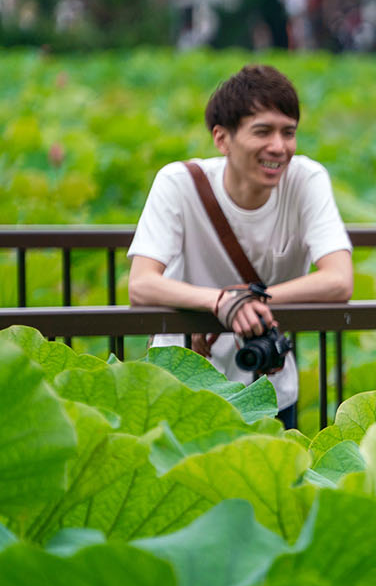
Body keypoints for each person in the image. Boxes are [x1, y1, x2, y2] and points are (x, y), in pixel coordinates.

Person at [128, 64, 354, 428]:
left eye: (288, 132)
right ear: (222, 139)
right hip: (182, 387)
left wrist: (248, 301)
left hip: (267, 382)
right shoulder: (178, 183)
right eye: (262, 131)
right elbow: (141, 284)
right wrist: (220, 302)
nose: (278, 147)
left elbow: (339, 280)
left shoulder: (306, 179)